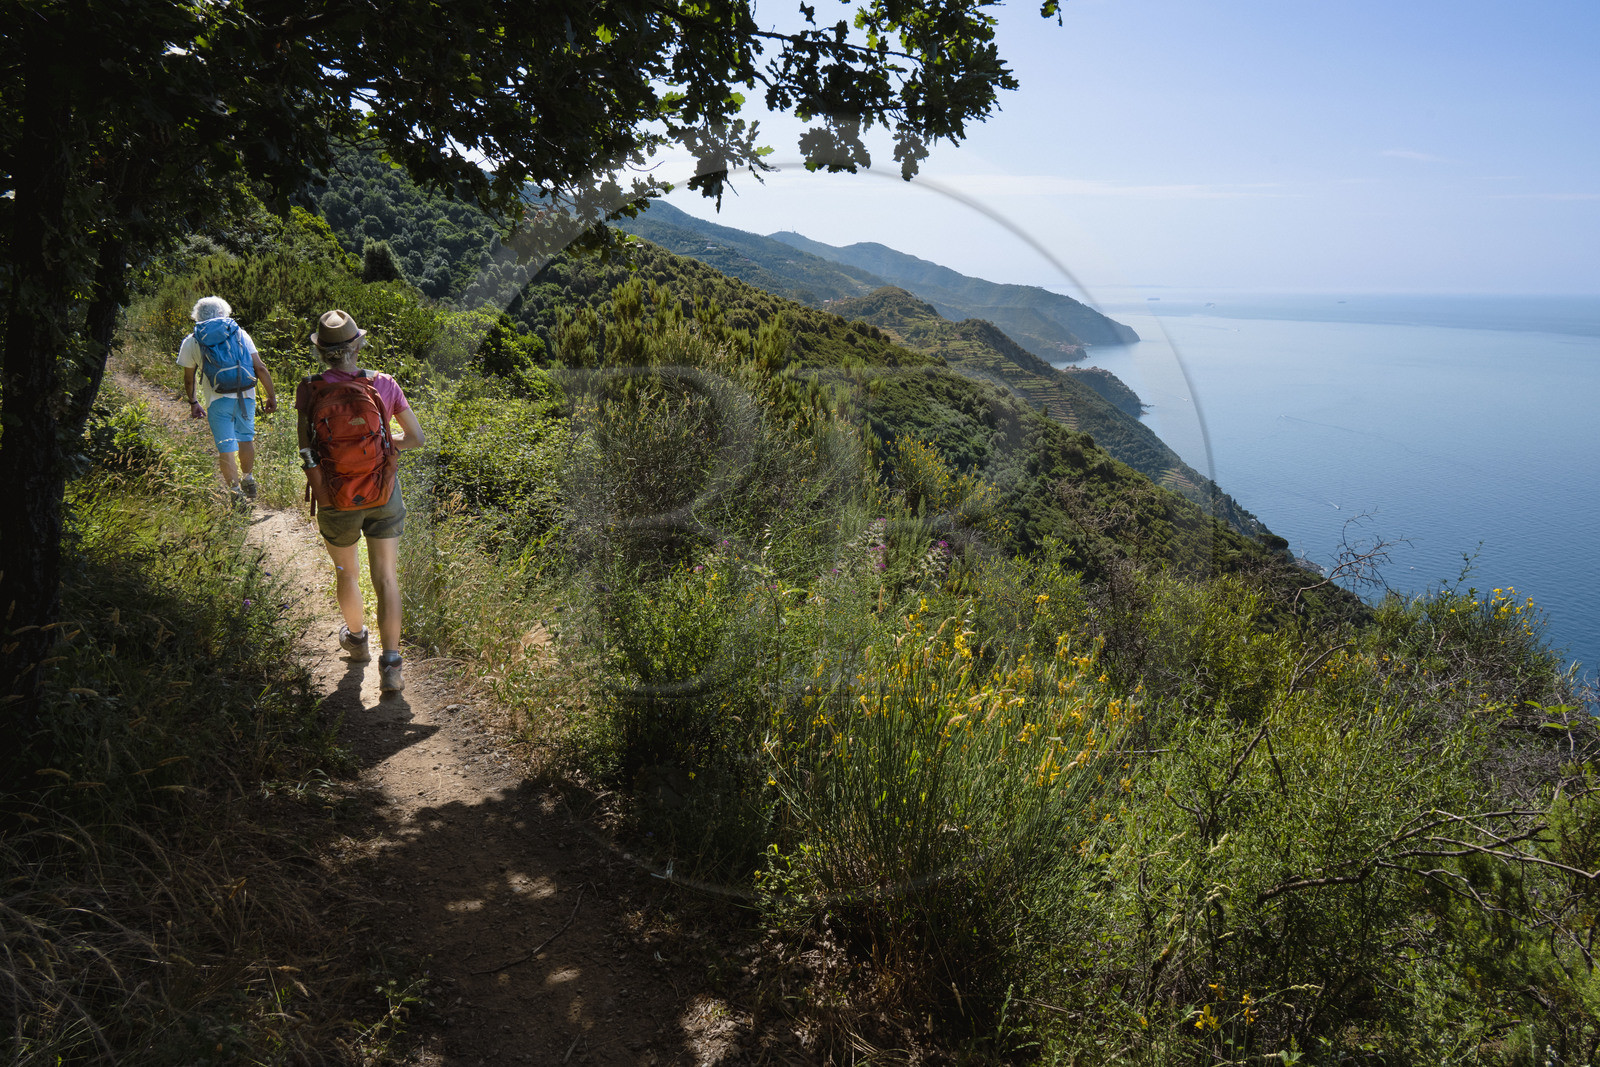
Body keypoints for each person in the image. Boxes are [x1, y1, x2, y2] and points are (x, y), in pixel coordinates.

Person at [295, 310, 426, 693]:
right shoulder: (383, 384)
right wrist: (388, 447)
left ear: (321, 352)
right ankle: (392, 666)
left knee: (346, 573)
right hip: (383, 491)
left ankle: (356, 641)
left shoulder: (309, 388)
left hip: (335, 494)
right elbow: (416, 438)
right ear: (358, 345)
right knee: (386, 577)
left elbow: (305, 447)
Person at [177, 296, 278, 498]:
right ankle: (248, 478)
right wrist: (271, 396)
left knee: (226, 448)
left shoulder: (192, 340)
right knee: (246, 440)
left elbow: (189, 379)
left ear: (197, 315)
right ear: (224, 312)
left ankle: (235, 493)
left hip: (217, 399)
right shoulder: (239, 333)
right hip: (246, 396)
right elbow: (260, 367)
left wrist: (193, 402)